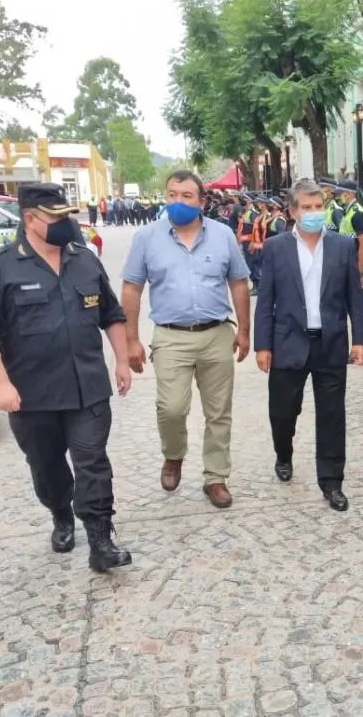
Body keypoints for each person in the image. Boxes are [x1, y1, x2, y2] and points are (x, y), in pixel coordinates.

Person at [0, 183, 133, 572]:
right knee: (46, 465)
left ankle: (100, 539)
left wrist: (121, 361)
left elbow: (111, 314)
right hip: (32, 395)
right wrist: (1, 384)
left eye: (67, 216)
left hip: (88, 386)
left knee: (93, 461)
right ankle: (60, 511)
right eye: (56, 218)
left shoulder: (85, 260)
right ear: (30, 220)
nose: (66, 224)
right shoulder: (0, 267)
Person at [121, 170, 251, 509]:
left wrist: (245, 331)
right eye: (172, 195)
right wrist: (131, 340)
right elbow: (132, 288)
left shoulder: (223, 236)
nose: (178, 202)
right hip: (170, 337)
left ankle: (216, 477)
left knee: (219, 411)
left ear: (201, 201)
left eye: (186, 196)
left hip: (216, 334)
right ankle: (174, 454)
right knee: (172, 407)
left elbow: (239, 282)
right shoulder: (147, 238)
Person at [254, 178, 363, 512]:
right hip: (288, 341)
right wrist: (263, 344)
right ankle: (283, 453)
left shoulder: (342, 246)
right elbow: (266, 301)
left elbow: (355, 296)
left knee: (332, 415)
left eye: (319, 207)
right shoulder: (276, 248)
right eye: (307, 207)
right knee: (283, 410)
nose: (314, 213)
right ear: (293, 211)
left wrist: (360, 338)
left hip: (330, 343)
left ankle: (332, 482)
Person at [335, 179, 363, 361]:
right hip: (347, 267)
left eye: (341, 193)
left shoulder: (357, 214)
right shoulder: (347, 212)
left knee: (359, 307)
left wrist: (359, 271)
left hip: (356, 268)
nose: (338, 196)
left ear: (349, 194)